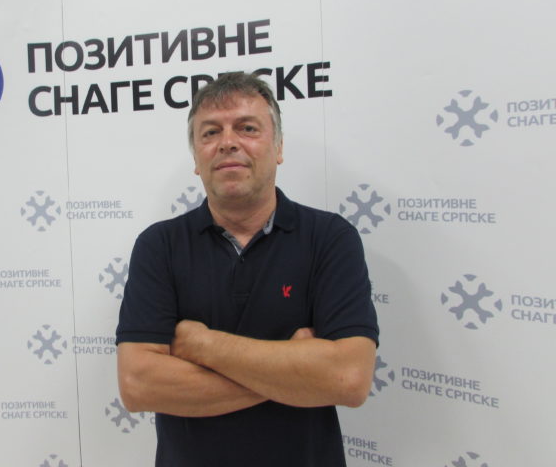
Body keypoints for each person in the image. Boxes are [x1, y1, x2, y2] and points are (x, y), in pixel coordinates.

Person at [116, 71, 378, 466]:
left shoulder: (329, 238)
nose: (228, 142)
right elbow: (139, 385)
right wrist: (296, 371)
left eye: (247, 128)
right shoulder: (160, 246)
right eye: (210, 133)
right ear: (196, 158)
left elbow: (348, 379)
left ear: (278, 147)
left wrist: (202, 345)